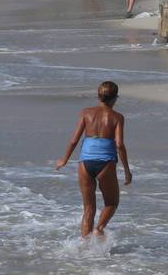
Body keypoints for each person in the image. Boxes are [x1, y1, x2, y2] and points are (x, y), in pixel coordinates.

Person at [55, 81, 133, 238]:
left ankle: (85, 250)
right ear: (115, 98)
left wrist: (64, 160)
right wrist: (126, 170)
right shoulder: (117, 117)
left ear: (98, 96)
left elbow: (73, 140)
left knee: (88, 209)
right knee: (111, 203)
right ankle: (99, 228)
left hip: (85, 162)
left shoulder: (86, 113)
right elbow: (119, 144)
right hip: (106, 162)